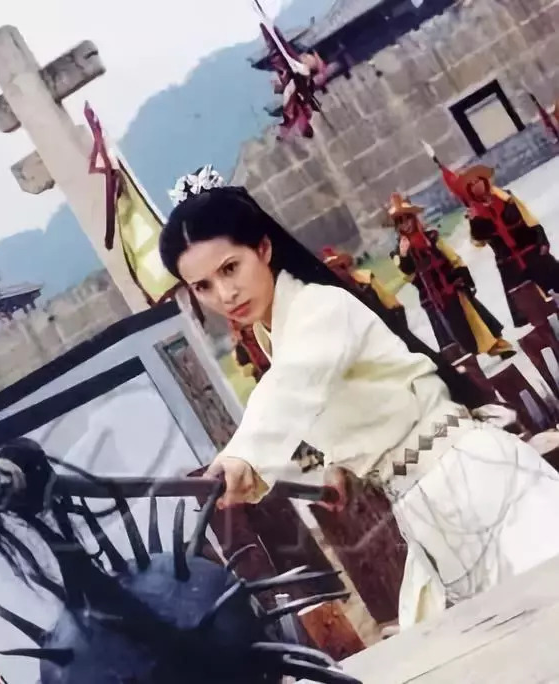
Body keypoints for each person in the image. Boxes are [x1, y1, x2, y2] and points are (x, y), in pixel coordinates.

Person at [158, 167, 559, 630]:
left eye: (230, 268)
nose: (225, 294)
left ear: (263, 249)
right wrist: (339, 465)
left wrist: (241, 455)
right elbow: (338, 398)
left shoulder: (319, 308)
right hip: (428, 502)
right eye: (203, 286)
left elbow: (290, 385)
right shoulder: (280, 331)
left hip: (471, 481)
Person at [389, 193, 514, 359]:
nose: (405, 224)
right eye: (401, 221)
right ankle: (467, 364)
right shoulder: (397, 254)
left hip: (452, 285)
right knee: (452, 332)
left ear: (413, 219)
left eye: (407, 219)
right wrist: (404, 254)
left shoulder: (431, 237)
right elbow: (407, 275)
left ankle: (497, 345)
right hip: (432, 296)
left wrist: (463, 276)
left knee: (475, 316)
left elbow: (452, 257)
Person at [437, 161, 559, 325]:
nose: (476, 185)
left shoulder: (506, 197)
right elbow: (478, 242)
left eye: (478, 181)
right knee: (532, 308)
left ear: (484, 181)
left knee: (555, 288)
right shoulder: (474, 213)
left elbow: (529, 219)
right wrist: (474, 221)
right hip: (510, 265)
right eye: (471, 184)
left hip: (532, 252)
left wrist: (542, 240)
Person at [321, 246, 408, 329]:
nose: (340, 272)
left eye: (340, 268)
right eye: (335, 269)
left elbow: (389, 301)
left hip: (388, 321)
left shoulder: (365, 278)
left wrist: (398, 313)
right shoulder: (339, 296)